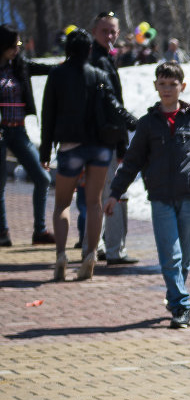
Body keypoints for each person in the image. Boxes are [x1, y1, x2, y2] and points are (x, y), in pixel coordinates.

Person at [105, 62, 190, 328]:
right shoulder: (147, 124)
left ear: (182, 87)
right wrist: (114, 193)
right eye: (162, 83)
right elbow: (132, 162)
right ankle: (182, 306)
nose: (167, 89)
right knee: (171, 255)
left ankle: (174, 296)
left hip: (188, 196)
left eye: (172, 84)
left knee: (185, 256)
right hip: (159, 198)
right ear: (155, 86)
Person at [39, 28, 136, 281]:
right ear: (89, 50)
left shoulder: (57, 75)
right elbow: (115, 108)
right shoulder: (99, 75)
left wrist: (45, 149)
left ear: (67, 50)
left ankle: (61, 255)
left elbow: (48, 115)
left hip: (70, 146)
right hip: (99, 148)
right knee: (94, 203)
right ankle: (90, 255)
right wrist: (131, 131)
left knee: (62, 203)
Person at [90, 11, 138, 265]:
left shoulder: (103, 59)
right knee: (114, 192)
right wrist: (128, 129)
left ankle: (99, 245)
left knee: (98, 195)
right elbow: (109, 103)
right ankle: (114, 250)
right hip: (103, 138)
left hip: (104, 137)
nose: (109, 35)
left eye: (113, 31)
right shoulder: (97, 61)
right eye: (104, 31)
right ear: (94, 32)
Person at [0, 23, 54, 247]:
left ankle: (39, 231)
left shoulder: (19, 66)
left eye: (19, 44)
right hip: (1, 132)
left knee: (42, 178)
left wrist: (64, 66)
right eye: (13, 45)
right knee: (0, 183)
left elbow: (41, 67)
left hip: (18, 129)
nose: (17, 49)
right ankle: (2, 232)